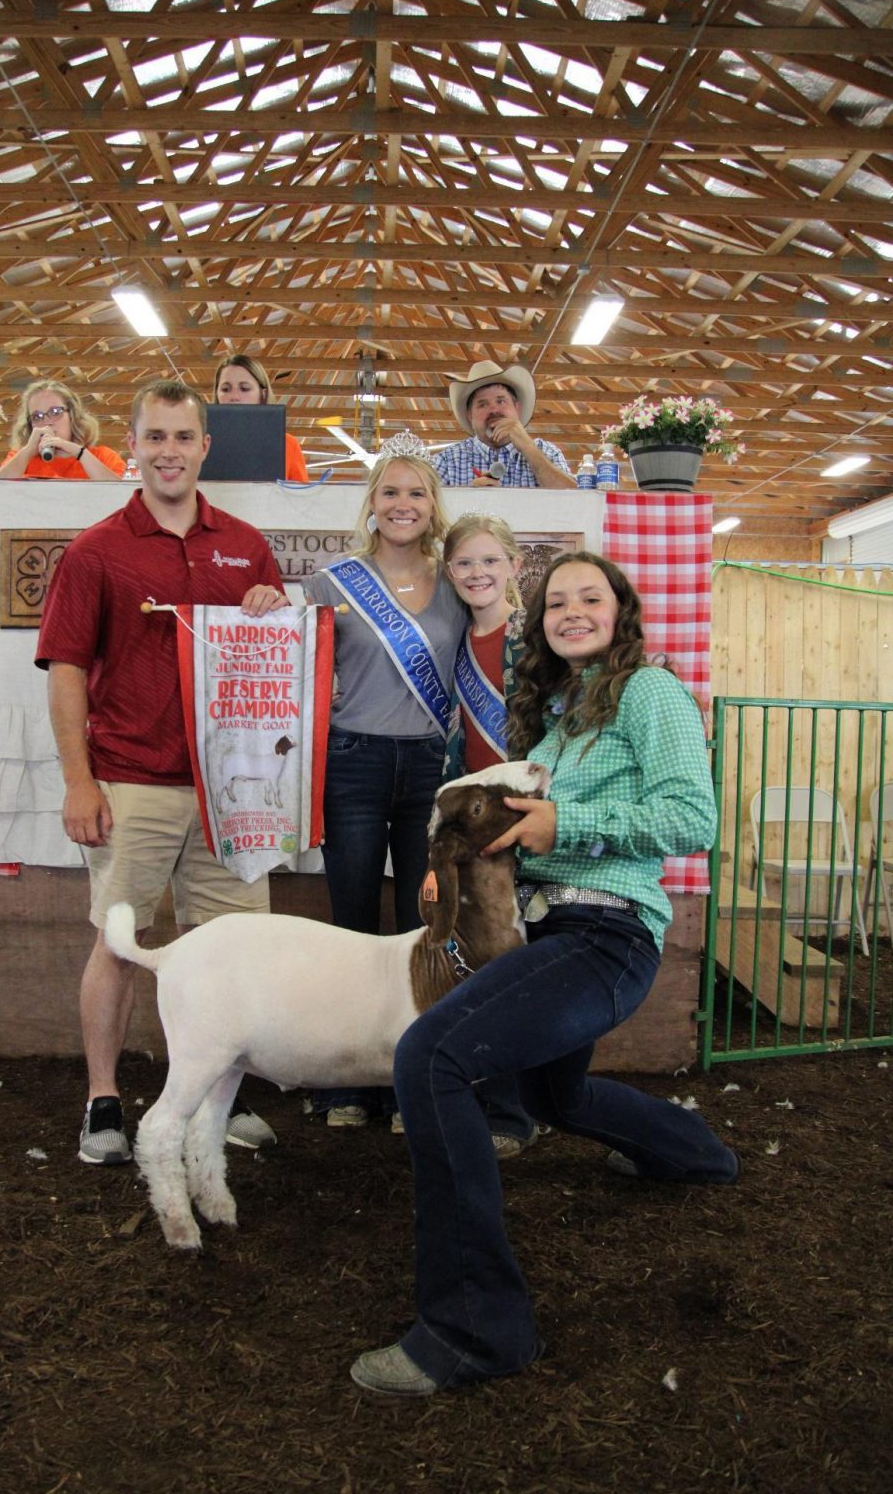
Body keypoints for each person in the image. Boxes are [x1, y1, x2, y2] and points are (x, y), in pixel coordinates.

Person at [350, 551, 738, 1397]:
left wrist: (566, 822)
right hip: (552, 930)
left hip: (609, 934)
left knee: (430, 1057)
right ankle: (697, 1154)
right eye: (557, 602)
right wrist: (454, 870)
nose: (572, 612)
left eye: (590, 597)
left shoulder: (649, 691)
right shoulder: (557, 725)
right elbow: (526, 839)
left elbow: (691, 817)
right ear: (542, 624)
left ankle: (474, 1331)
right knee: (554, 1097)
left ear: (620, 610)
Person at [35, 379, 289, 1165]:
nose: (169, 452)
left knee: (231, 953)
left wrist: (272, 609)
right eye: (155, 437)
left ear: (205, 447)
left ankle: (219, 1099)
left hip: (230, 790)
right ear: (133, 446)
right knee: (119, 943)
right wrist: (79, 781)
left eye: (183, 437)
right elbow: (66, 669)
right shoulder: (95, 549)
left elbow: (278, 659)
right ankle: (102, 1101)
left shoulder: (245, 544)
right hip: (131, 780)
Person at [303, 435, 465, 1129]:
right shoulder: (332, 583)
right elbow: (294, 662)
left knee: (423, 928)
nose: (403, 503)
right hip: (354, 763)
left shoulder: (458, 581)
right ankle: (344, 1082)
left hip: (431, 769)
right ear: (371, 504)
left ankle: (412, 1080)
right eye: (390, 491)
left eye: (416, 492)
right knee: (352, 925)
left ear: (433, 507)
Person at [441, 513, 536, 1159]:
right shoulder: (451, 640)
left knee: (517, 964)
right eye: (464, 563)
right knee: (478, 957)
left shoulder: (534, 637)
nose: (478, 573)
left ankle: (515, 1107)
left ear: (514, 566)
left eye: (489, 561)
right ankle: (477, 1092)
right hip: (473, 823)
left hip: (524, 814)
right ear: (449, 572)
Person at [436, 360, 572, 489]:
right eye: (483, 404)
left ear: (517, 409)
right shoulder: (447, 460)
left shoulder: (546, 451)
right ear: (470, 416)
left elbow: (574, 499)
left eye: (501, 401)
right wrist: (468, 495)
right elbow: (428, 503)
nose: (494, 410)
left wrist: (528, 448)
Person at [0, 380, 126, 481]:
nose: (47, 422)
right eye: (37, 417)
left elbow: (121, 497)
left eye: (55, 412)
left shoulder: (103, 457)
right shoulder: (21, 458)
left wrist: (79, 453)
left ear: (72, 415)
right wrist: (27, 452)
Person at [213, 353, 310, 482]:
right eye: (225, 389)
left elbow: (302, 493)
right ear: (216, 394)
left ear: (263, 394)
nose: (234, 396)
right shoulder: (201, 443)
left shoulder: (287, 445)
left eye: (244, 388)